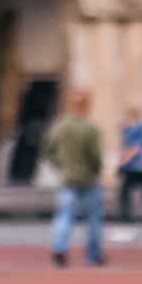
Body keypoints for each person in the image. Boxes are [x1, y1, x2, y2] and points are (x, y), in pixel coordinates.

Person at [46, 90, 107, 267]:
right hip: (88, 178)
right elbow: (95, 156)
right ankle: (93, 254)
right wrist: (96, 170)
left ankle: (59, 247)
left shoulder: (60, 126)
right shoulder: (90, 129)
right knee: (94, 218)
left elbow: (49, 149)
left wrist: (60, 166)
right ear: (87, 106)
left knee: (63, 216)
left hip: (67, 177)